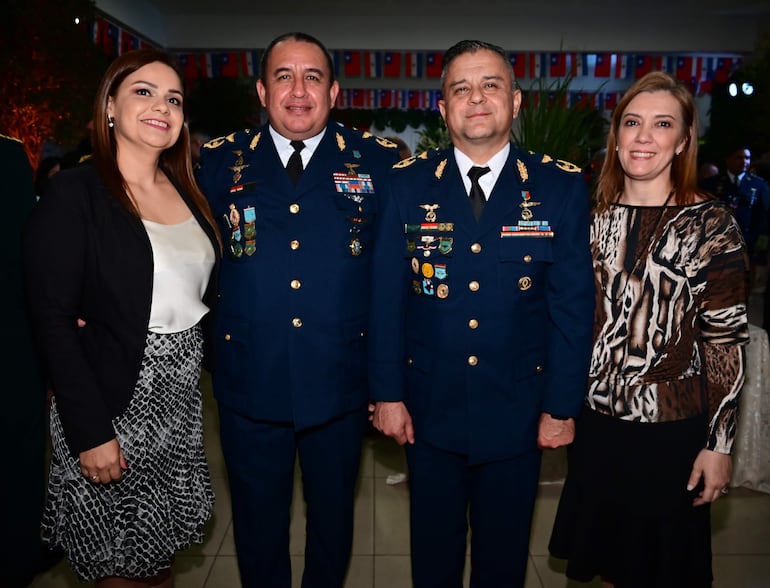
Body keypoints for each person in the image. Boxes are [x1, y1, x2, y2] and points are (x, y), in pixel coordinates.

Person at [367, 40, 595, 587]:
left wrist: (561, 406)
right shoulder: (405, 184)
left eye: (490, 85)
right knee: (434, 558)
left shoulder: (558, 186)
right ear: (442, 108)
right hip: (428, 408)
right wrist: (387, 394)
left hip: (517, 410)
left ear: (515, 102)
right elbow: (383, 298)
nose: (476, 98)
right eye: (460, 88)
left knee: (503, 561)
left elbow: (571, 305)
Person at [195, 32, 399, 588]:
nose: (298, 90)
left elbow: (391, 281)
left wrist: (388, 384)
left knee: (333, 522)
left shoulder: (378, 163)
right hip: (248, 379)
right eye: (284, 76)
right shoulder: (218, 164)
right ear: (263, 91)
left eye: (312, 77)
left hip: (340, 379)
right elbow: (178, 250)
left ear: (333, 91)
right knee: (258, 526)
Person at [22, 49, 221, 587]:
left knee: (157, 561)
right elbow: (53, 321)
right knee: (117, 566)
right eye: (144, 92)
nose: (162, 106)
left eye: (173, 99)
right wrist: (91, 432)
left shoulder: (188, 192)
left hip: (177, 408)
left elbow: (200, 296)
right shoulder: (75, 193)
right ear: (109, 107)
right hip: (111, 405)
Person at [548, 71, 750, 588]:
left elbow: (725, 346)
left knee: (662, 569)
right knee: (612, 565)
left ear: (683, 140)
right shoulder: (589, 219)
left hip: (671, 435)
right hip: (595, 428)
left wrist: (719, 445)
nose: (643, 138)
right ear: (615, 136)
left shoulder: (712, 226)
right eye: (631, 123)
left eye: (662, 125)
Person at [0, 133, 62, 587]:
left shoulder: (8, 157)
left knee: (19, 451)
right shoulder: (6, 155)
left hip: (14, 346)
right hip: (13, 346)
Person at [701, 145, 770, 265]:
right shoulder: (712, 184)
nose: (744, 162)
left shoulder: (759, 185)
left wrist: (759, 241)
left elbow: (764, 215)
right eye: (739, 158)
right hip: (716, 244)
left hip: (747, 242)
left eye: (747, 158)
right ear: (728, 160)